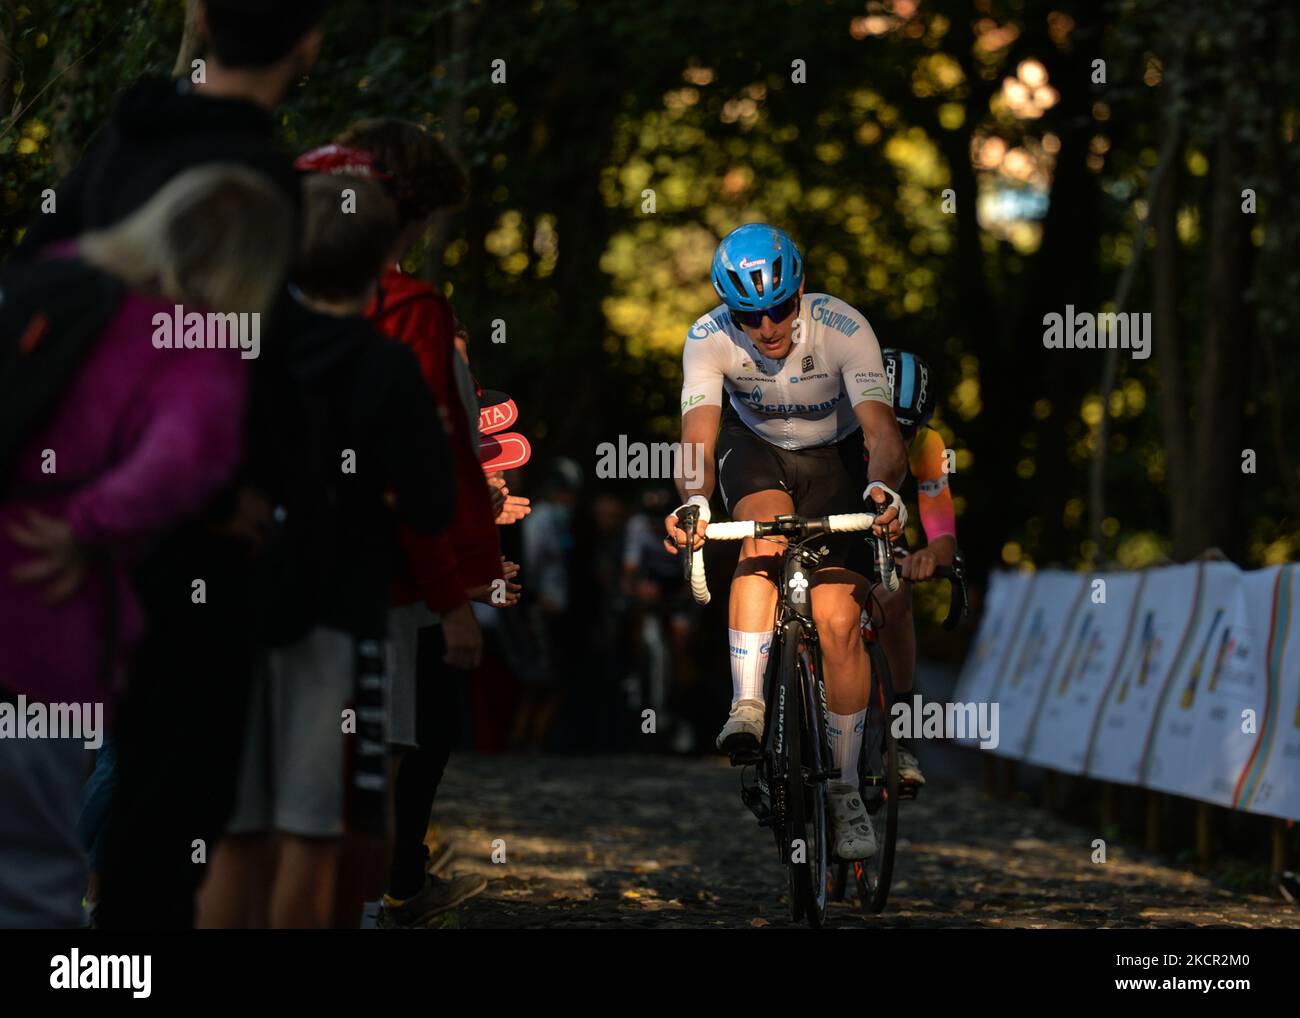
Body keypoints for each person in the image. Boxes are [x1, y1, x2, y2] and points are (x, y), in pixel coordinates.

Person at [0, 165, 294, 927]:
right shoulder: (195, 336)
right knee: (34, 866)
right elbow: (177, 462)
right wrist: (86, 523)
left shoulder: (51, 280)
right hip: (47, 611)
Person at [198, 173, 454, 929]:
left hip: (232, 608)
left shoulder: (239, 349)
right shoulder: (387, 366)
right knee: (313, 827)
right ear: (381, 256)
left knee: (235, 829)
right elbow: (432, 502)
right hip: (339, 614)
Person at [664, 223, 908, 862]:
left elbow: (883, 433)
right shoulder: (708, 336)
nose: (767, 327)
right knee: (762, 541)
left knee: (837, 621)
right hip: (757, 455)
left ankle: (847, 787)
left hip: (836, 462)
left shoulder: (844, 327)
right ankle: (746, 703)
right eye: (749, 316)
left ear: (799, 291)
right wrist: (692, 500)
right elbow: (697, 433)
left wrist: (883, 489)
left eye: (778, 309)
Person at [871, 348, 959, 790]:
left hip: (884, 530)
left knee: (895, 599)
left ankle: (899, 734)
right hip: (831, 514)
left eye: (908, 429)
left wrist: (929, 556)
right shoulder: (831, 427)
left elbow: (943, 531)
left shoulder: (928, 446)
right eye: (887, 423)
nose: (897, 439)